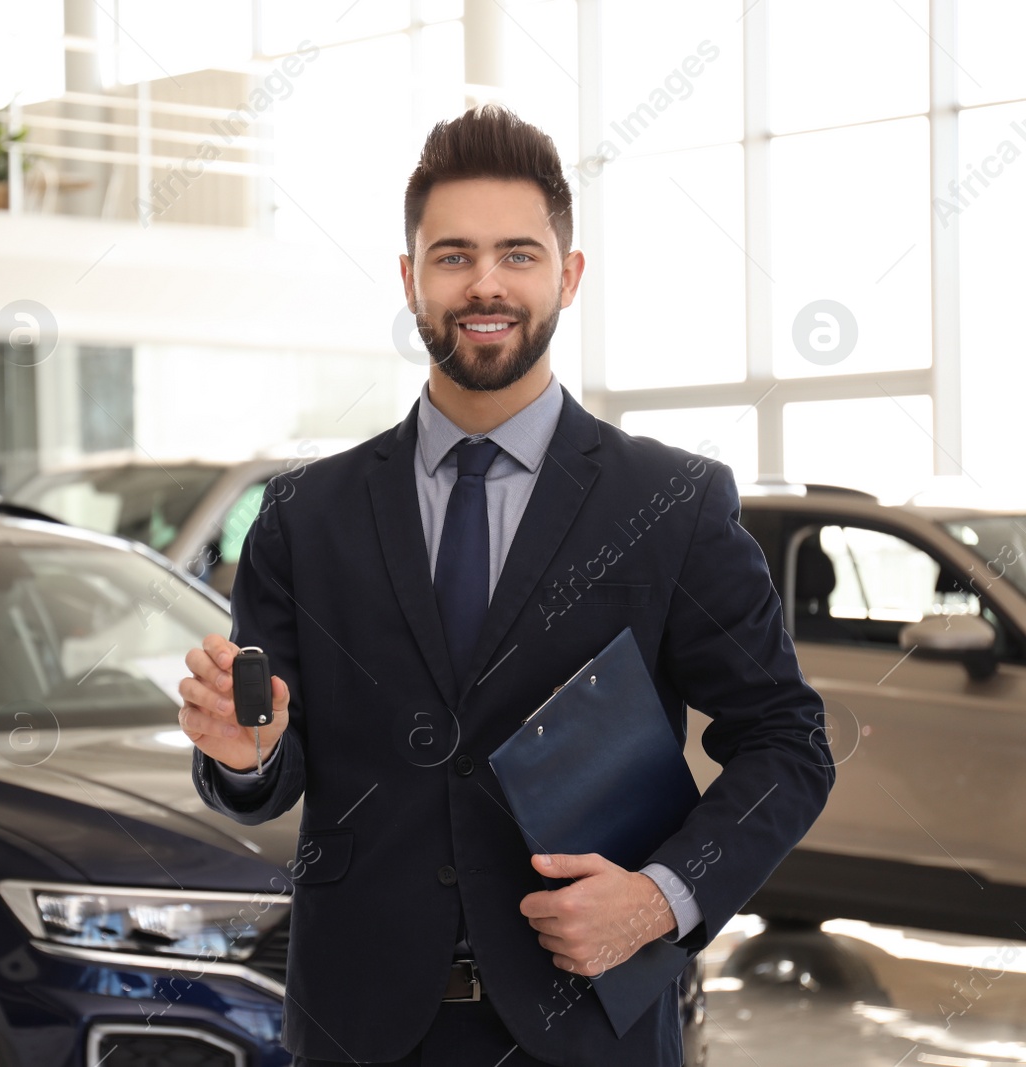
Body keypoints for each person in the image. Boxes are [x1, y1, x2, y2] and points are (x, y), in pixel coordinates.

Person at [179, 104, 834, 1067]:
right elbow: (269, 774)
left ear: (567, 275)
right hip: (362, 1030)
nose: (485, 283)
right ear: (410, 280)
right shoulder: (303, 515)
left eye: (518, 254)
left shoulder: (673, 503)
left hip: (591, 1025)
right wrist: (246, 756)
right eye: (452, 255)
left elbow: (788, 742)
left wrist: (660, 897)